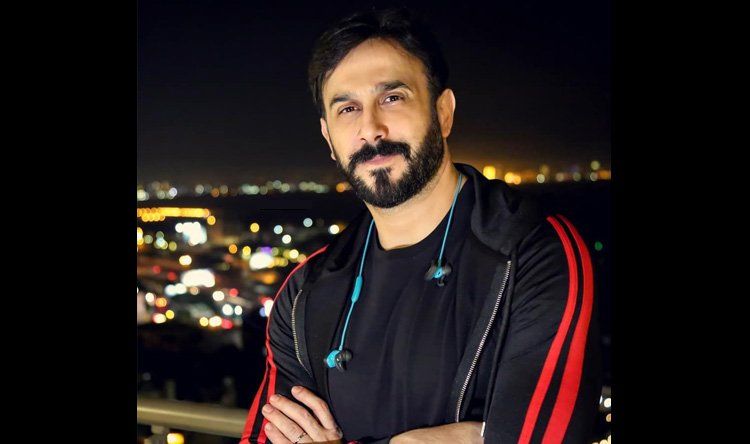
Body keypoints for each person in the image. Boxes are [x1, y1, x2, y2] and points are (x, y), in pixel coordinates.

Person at [241, 7, 601, 444]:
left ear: (443, 112)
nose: (371, 129)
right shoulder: (305, 293)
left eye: (392, 98)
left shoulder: (533, 252)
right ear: (328, 138)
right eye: (348, 108)